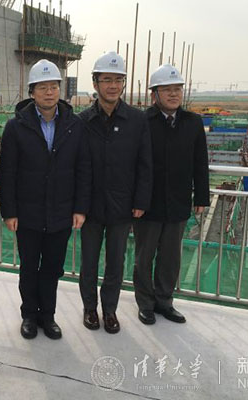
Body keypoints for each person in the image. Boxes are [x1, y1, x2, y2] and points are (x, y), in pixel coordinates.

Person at [0, 59, 91, 340]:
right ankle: (29, 315)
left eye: (54, 87)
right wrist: (9, 212)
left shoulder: (74, 125)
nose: (49, 92)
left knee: (52, 268)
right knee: (29, 268)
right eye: (42, 87)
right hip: (28, 213)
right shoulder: (16, 127)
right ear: (32, 92)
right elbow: (8, 173)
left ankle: (47, 316)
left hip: (61, 212)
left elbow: (83, 169)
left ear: (60, 90)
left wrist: (80, 208)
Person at [78, 52, 152, 334]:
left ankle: (109, 310)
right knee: (88, 261)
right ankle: (89, 308)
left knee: (115, 262)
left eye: (117, 80)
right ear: (95, 83)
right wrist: (78, 205)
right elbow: (76, 166)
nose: (112, 86)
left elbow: (145, 164)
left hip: (122, 206)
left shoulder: (136, 120)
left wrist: (140, 201)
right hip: (90, 206)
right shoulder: (82, 121)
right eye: (106, 79)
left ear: (123, 84)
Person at [133, 63, 209, 325]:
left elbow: (200, 162)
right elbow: (133, 164)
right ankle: (145, 304)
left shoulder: (192, 123)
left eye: (177, 89)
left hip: (178, 201)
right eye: (167, 89)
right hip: (147, 203)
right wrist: (136, 199)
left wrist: (201, 197)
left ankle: (164, 302)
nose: (174, 94)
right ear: (154, 94)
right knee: (144, 257)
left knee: (170, 257)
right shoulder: (143, 122)